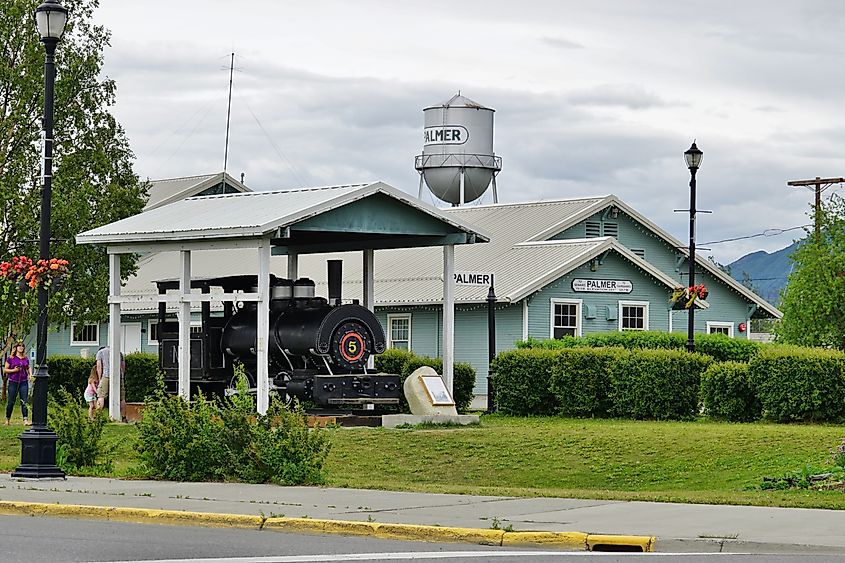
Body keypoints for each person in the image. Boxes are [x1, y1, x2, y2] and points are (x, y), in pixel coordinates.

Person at [4, 341, 32, 425]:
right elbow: (5, 370)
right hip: (13, 382)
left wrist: (30, 375)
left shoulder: (25, 358)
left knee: (24, 401)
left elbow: (28, 367)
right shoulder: (11, 358)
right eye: (19, 346)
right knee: (11, 402)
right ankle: (7, 419)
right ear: (16, 348)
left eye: (22, 346)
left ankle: (25, 420)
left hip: (23, 382)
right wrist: (14, 370)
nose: (21, 347)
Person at [95, 346, 126, 420]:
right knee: (122, 398)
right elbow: (123, 366)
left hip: (106, 375)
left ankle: (97, 417)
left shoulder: (100, 352)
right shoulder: (119, 353)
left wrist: (100, 378)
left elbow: (99, 367)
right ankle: (124, 417)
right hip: (118, 376)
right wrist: (122, 376)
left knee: (101, 396)